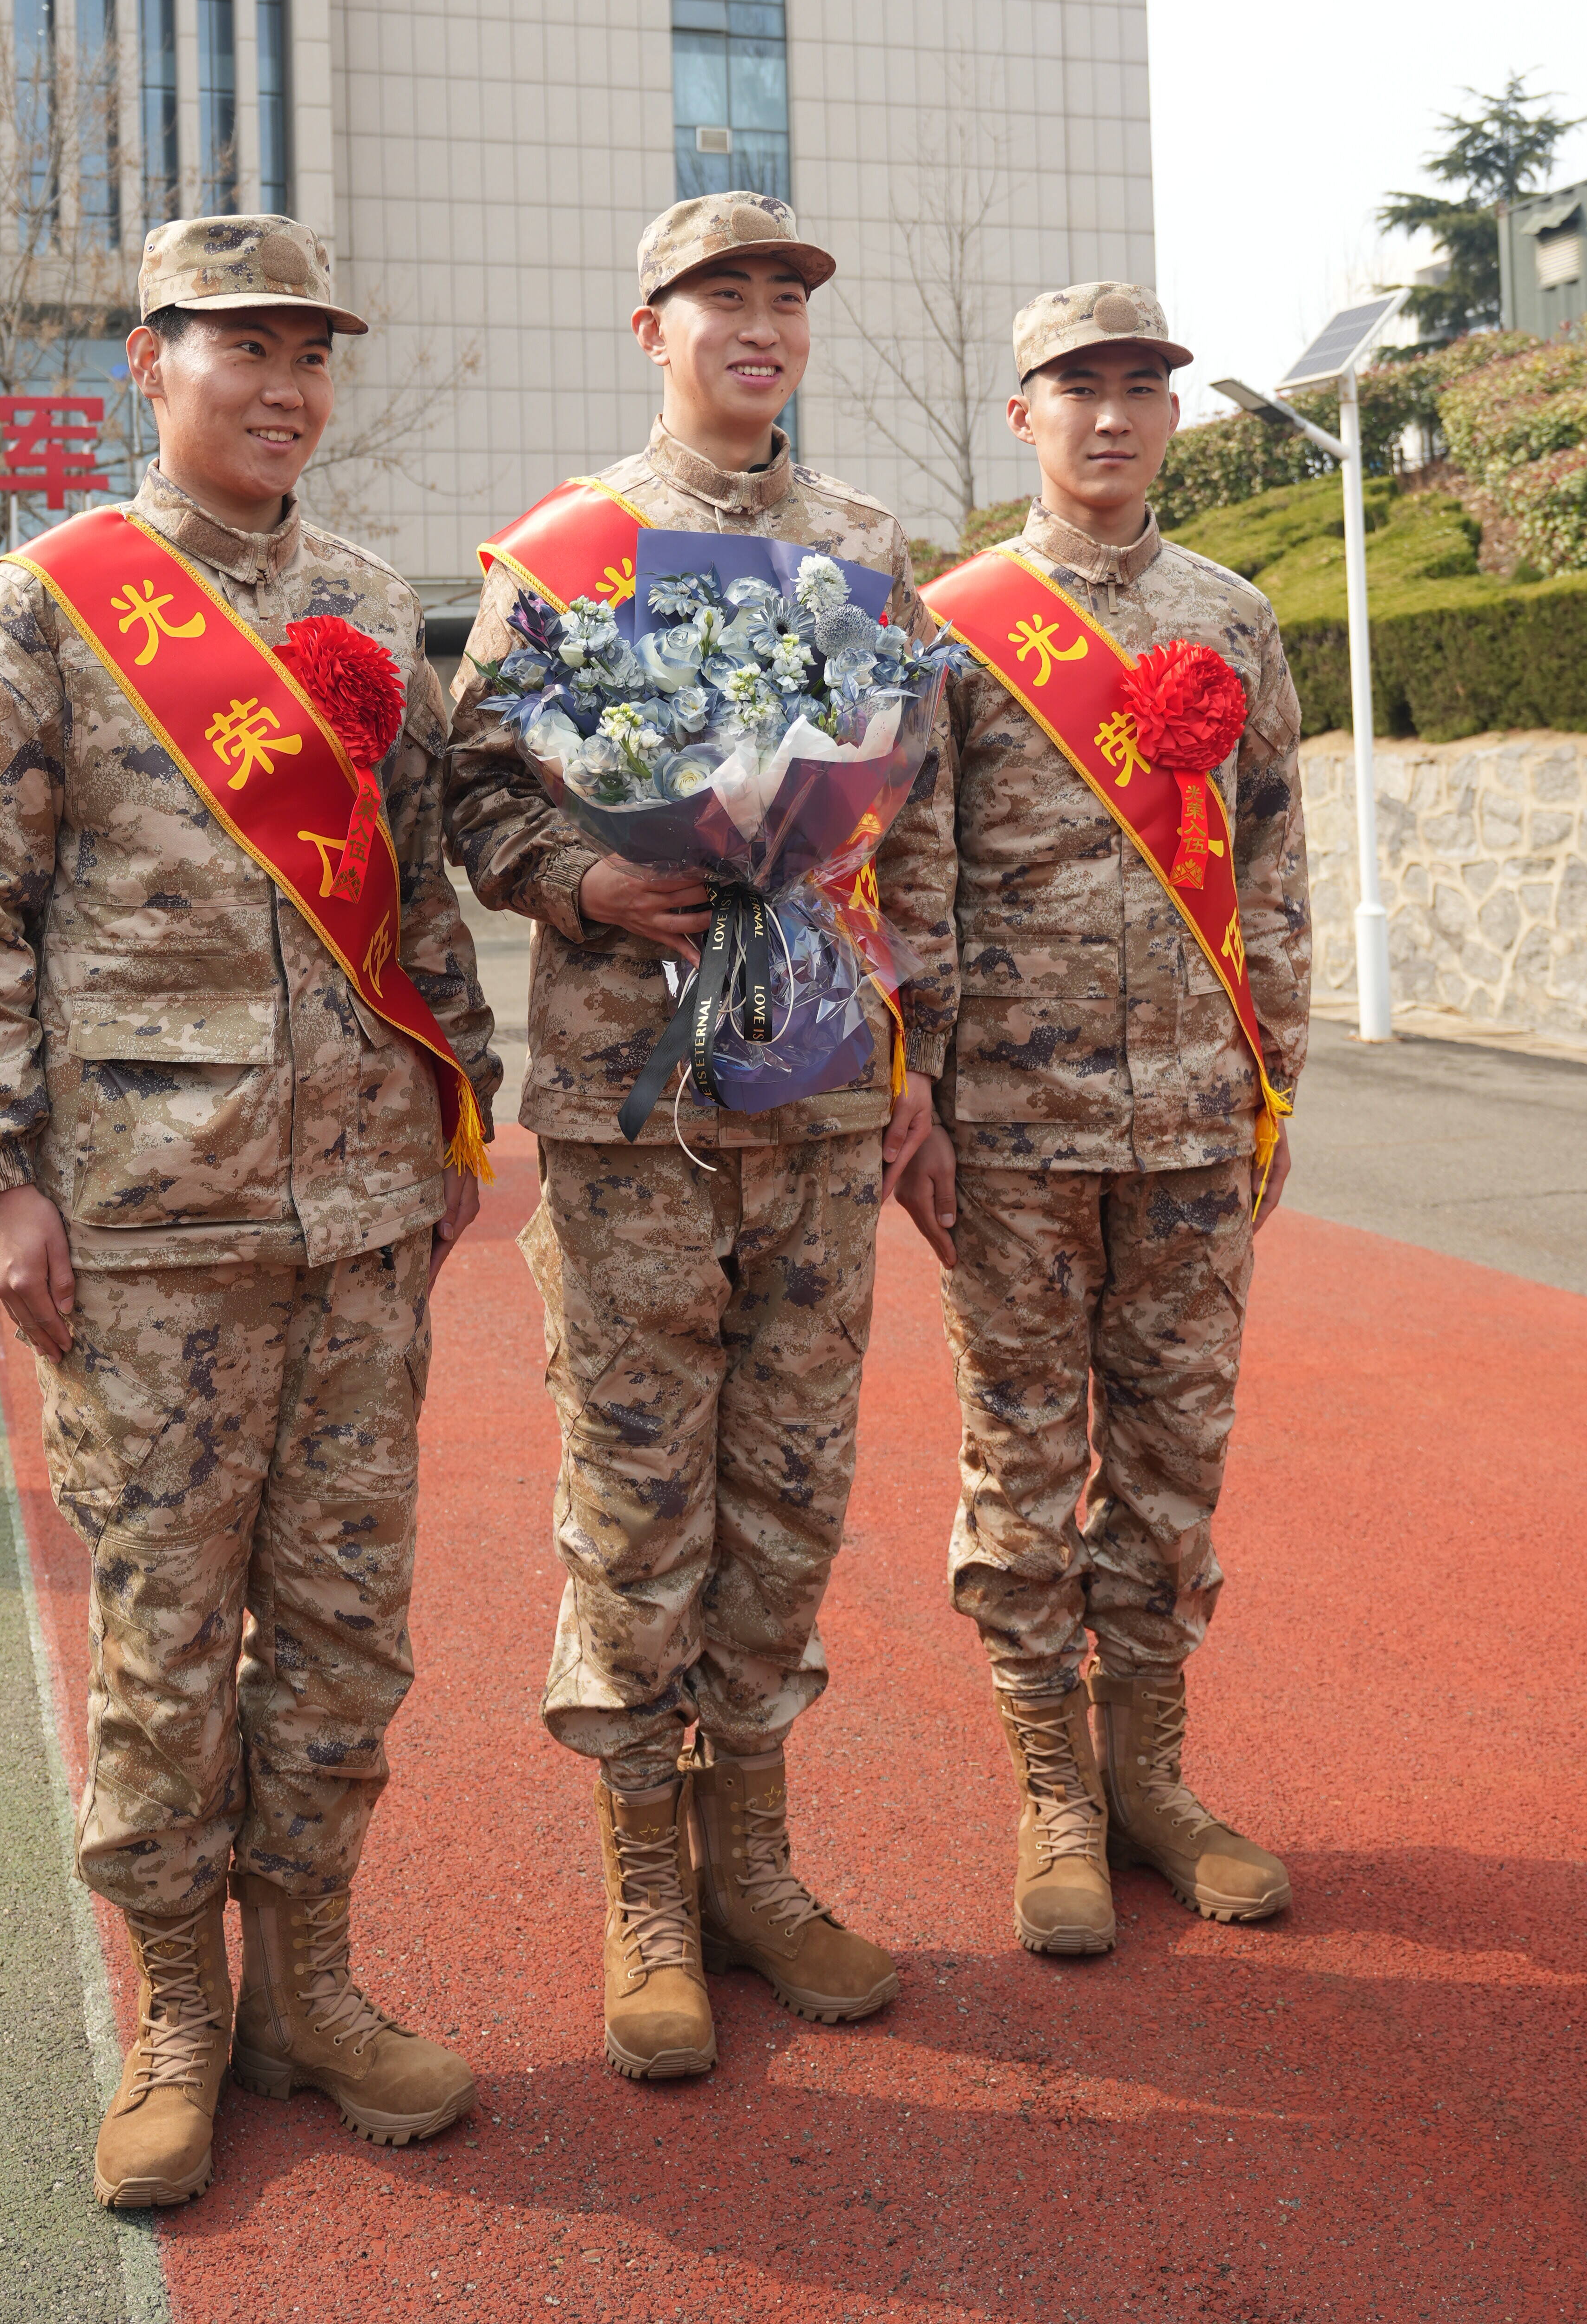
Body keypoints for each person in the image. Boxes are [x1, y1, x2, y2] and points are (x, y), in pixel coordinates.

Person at [0, 213, 500, 2209]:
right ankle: (178, 2014)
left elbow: (417, 887)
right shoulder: (49, 604)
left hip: (363, 1216)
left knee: (342, 1630)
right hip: (148, 1224)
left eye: (311, 352)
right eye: (244, 346)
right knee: (168, 1636)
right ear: (151, 359)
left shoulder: (365, 600)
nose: (285, 385)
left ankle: (310, 1989)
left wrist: (457, 1110)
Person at [445, 192, 957, 2081]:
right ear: (649, 326)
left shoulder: (867, 549)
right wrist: (586, 881)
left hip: (816, 1091)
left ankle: (756, 1863)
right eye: (718, 295)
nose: (757, 323)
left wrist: (911, 1047)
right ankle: (647, 1887)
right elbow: (473, 792)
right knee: (639, 1490)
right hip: (632, 1098)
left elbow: (916, 817)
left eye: (781, 297)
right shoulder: (567, 551)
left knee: (792, 1486)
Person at [901, 282, 1309, 1957]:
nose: (1115, 415)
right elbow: (913, 880)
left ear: (1175, 416)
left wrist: (1275, 1076)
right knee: (1022, 1464)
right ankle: (1053, 1790)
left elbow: (1274, 860)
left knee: (1171, 1463)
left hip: (1199, 1123)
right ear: (1024, 415)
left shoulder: (1235, 617)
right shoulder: (955, 627)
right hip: (1015, 1128)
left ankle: (1152, 1777)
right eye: (1081, 386)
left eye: (1144, 387)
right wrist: (917, 1098)